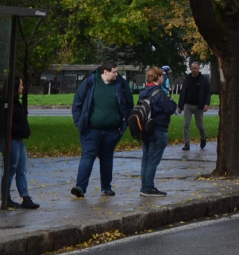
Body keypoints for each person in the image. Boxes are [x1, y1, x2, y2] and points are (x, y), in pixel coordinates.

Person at [71, 62, 133, 198]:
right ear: (105, 71)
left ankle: (106, 188)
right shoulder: (91, 82)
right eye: (114, 72)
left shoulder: (120, 84)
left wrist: (123, 123)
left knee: (106, 159)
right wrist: (79, 122)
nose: (117, 74)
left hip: (112, 131)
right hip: (91, 130)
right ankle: (80, 187)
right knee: (88, 157)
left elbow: (129, 104)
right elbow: (78, 102)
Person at [138, 66, 177, 196]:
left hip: (146, 129)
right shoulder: (159, 93)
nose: (163, 78)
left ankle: (145, 185)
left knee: (146, 159)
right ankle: (148, 187)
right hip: (158, 129)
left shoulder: (144, 92)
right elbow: (169, 109)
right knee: (153, 160)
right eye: (162, 76)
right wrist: (172, 102)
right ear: (158, 77)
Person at [2, 76, 39, 209]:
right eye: (21, 85)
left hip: (19, 139)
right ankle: (5, 197)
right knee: (11, 168)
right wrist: (18, 129)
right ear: (15, 86)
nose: (23, 87)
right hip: (12, 139)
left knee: (22, 168)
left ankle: (25, 197)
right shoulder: (8, 102)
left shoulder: (16, 101)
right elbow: (7, 122)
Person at [178, 61, 212, 151]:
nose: (194, 70)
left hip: (198, 106)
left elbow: (208, 92)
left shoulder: (203, 80)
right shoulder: (187, 79)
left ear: (199, 69)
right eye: (192, 68)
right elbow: (183, 93)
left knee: (200, 124)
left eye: (195, 68)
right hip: (188, 105)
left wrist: (206, 103)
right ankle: (187, 144)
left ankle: (203, 138)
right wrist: (180, 106)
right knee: (186, 124)